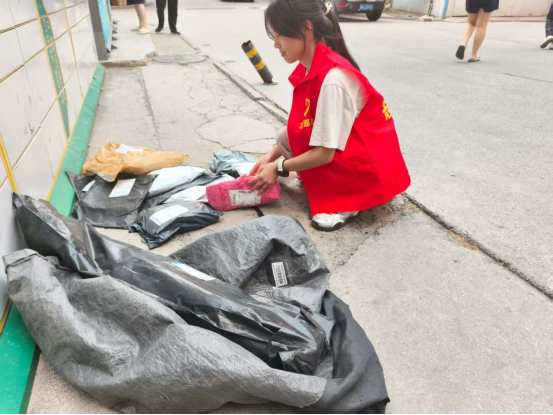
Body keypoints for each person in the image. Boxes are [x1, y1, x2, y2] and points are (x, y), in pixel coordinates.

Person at [249, 0, 411, 232]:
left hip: (366, 171)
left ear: (305, 28)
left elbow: (325, 153)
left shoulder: (332, 79)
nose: (276, 44)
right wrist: (269, 157)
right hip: (347, 148)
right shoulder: (315, 65)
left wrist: (278, 167)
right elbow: (301, 126)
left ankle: (348, 203)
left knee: (302, 151)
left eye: (279, 35)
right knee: (286, 135)